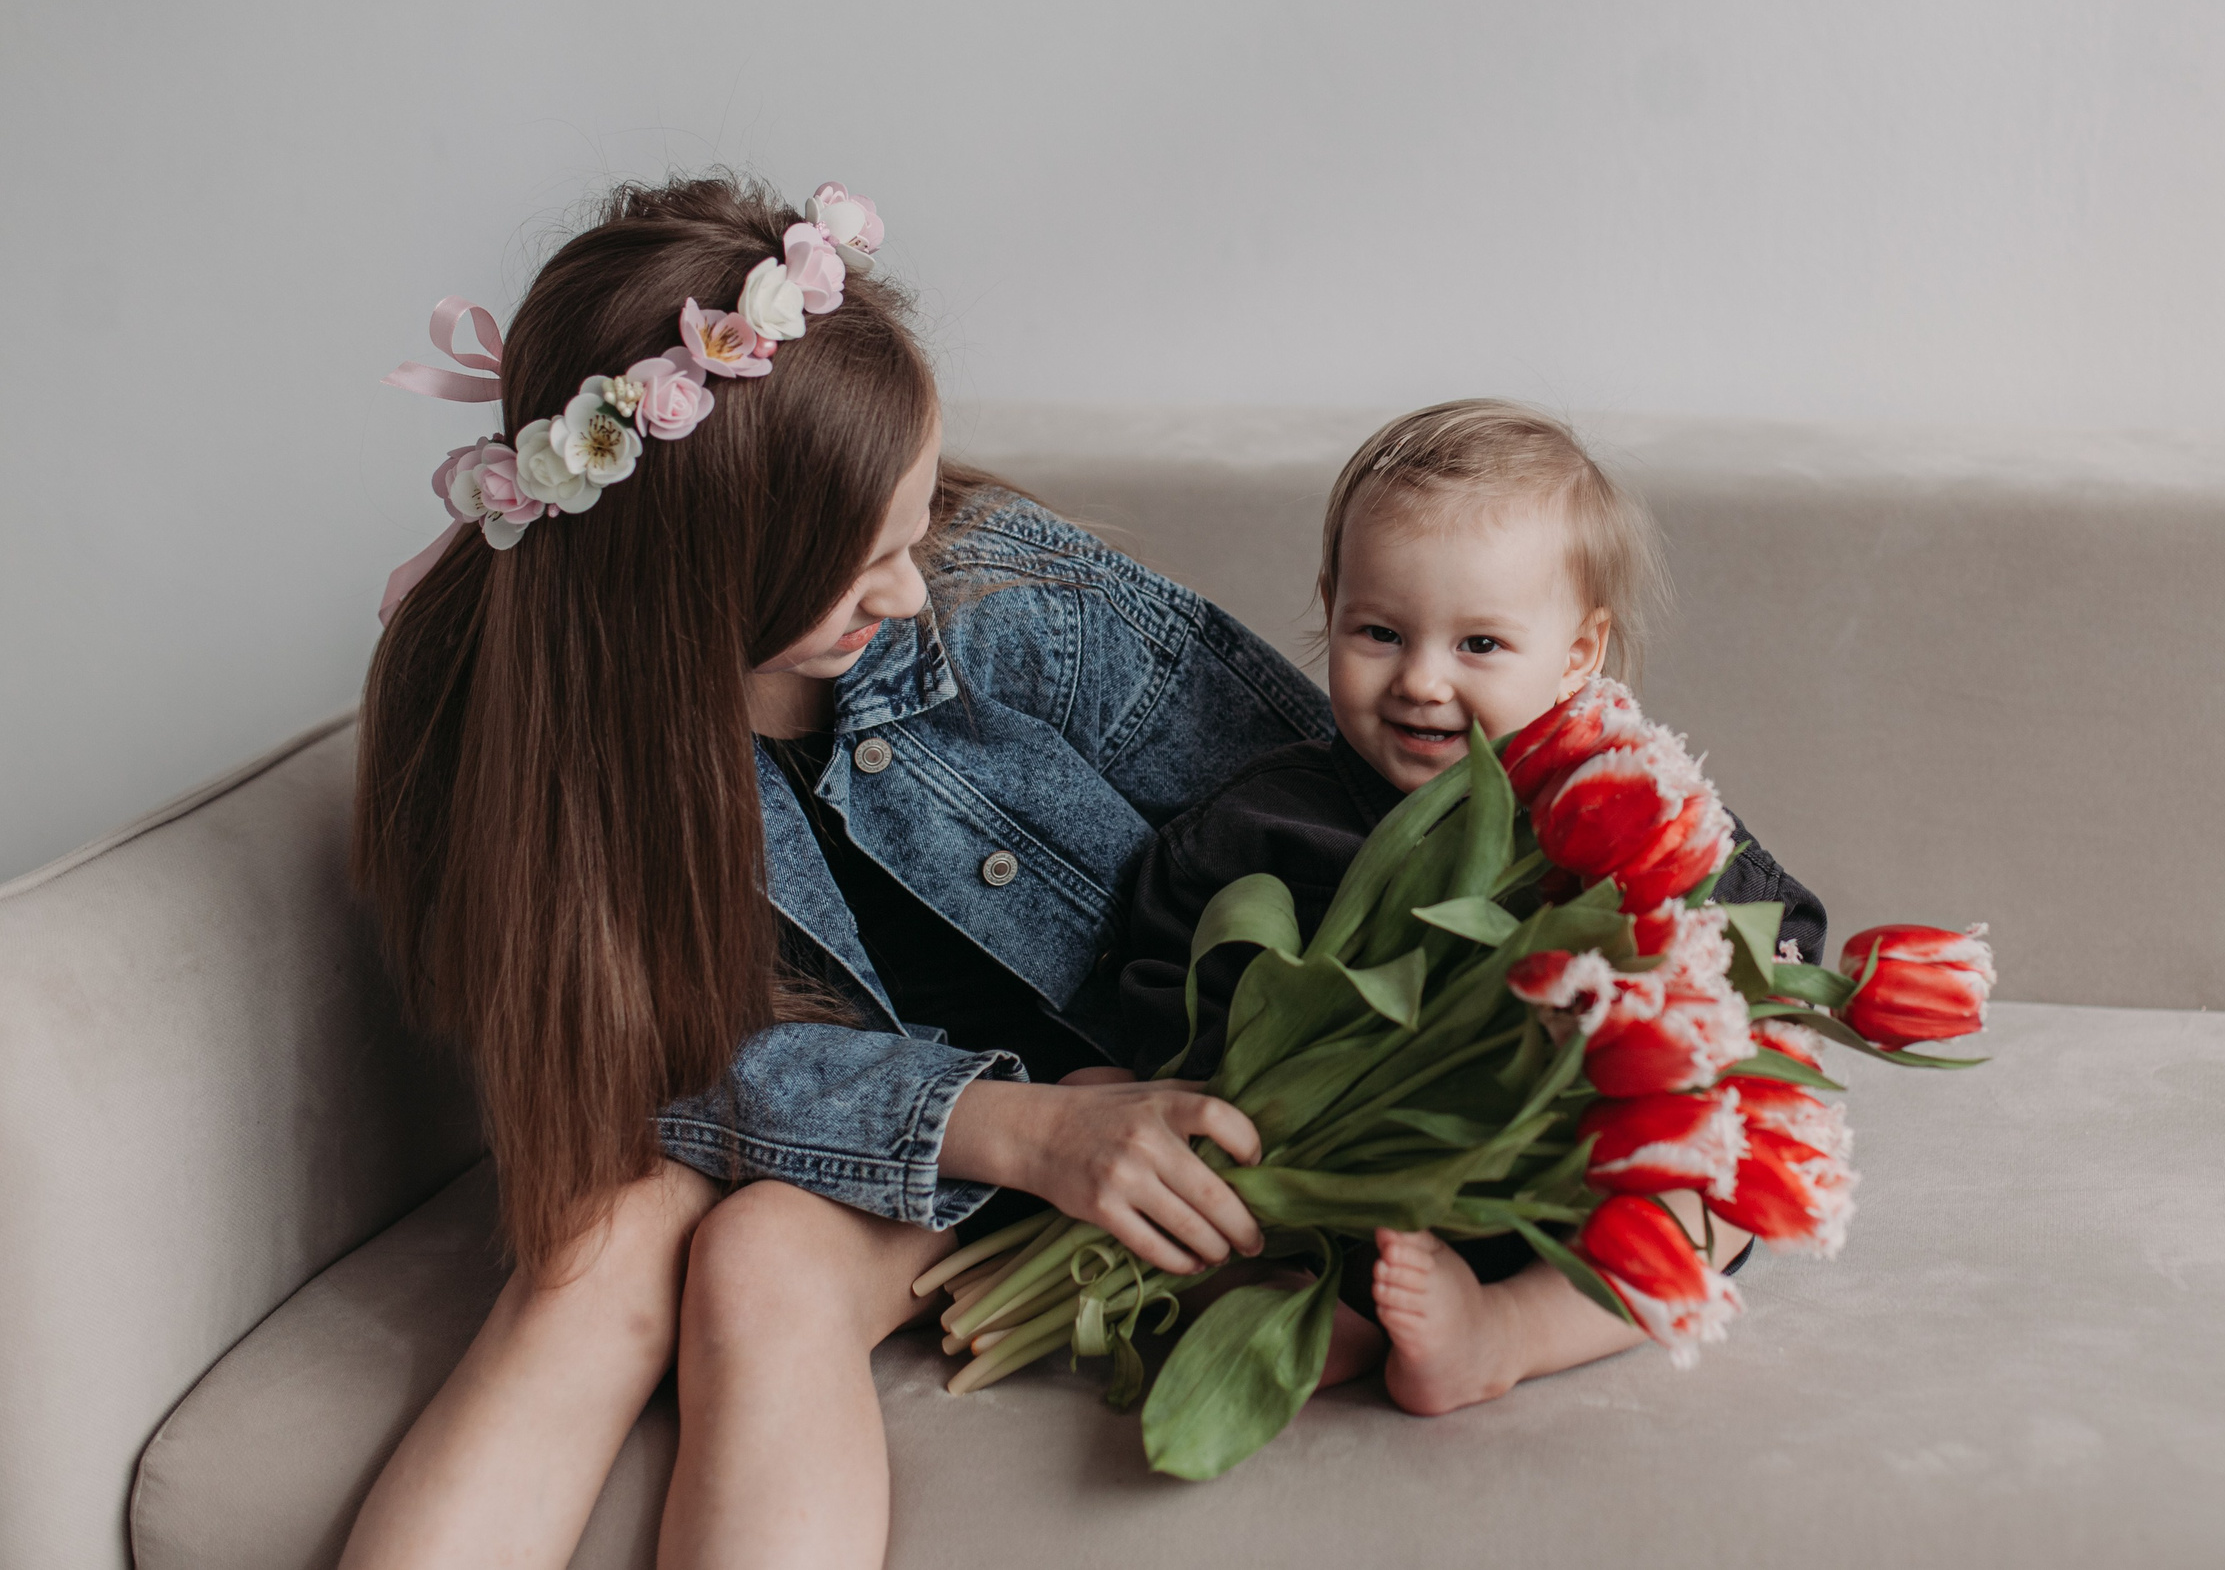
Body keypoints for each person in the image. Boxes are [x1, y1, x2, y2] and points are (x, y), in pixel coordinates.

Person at [342, 175, 1330, 1570]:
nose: (913, 590)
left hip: (1124, 1112)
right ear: (692, 586)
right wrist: (1007, 1125)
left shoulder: (1009, 600)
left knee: (758, 1257)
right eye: (861, 568)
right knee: (602, 1242)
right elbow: (626, 1065)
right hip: (860, 1134)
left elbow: (1341, 807)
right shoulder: (514, 706)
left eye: (910, 530)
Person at [1105, 399, 1826, 1416]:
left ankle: (1510, 1333)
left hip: (1556, 1179)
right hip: (1338, 1201)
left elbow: (1778, 946)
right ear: (1330, 603)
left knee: (1717, 1187)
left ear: (1579, 654)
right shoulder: (1260, 826)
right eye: (1380, 632)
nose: (1422, 681)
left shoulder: (1623, 801)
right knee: (1196, 1215)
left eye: (1480, 643)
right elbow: (1158, 989)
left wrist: (1730, 1031)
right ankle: (1316, 1315)